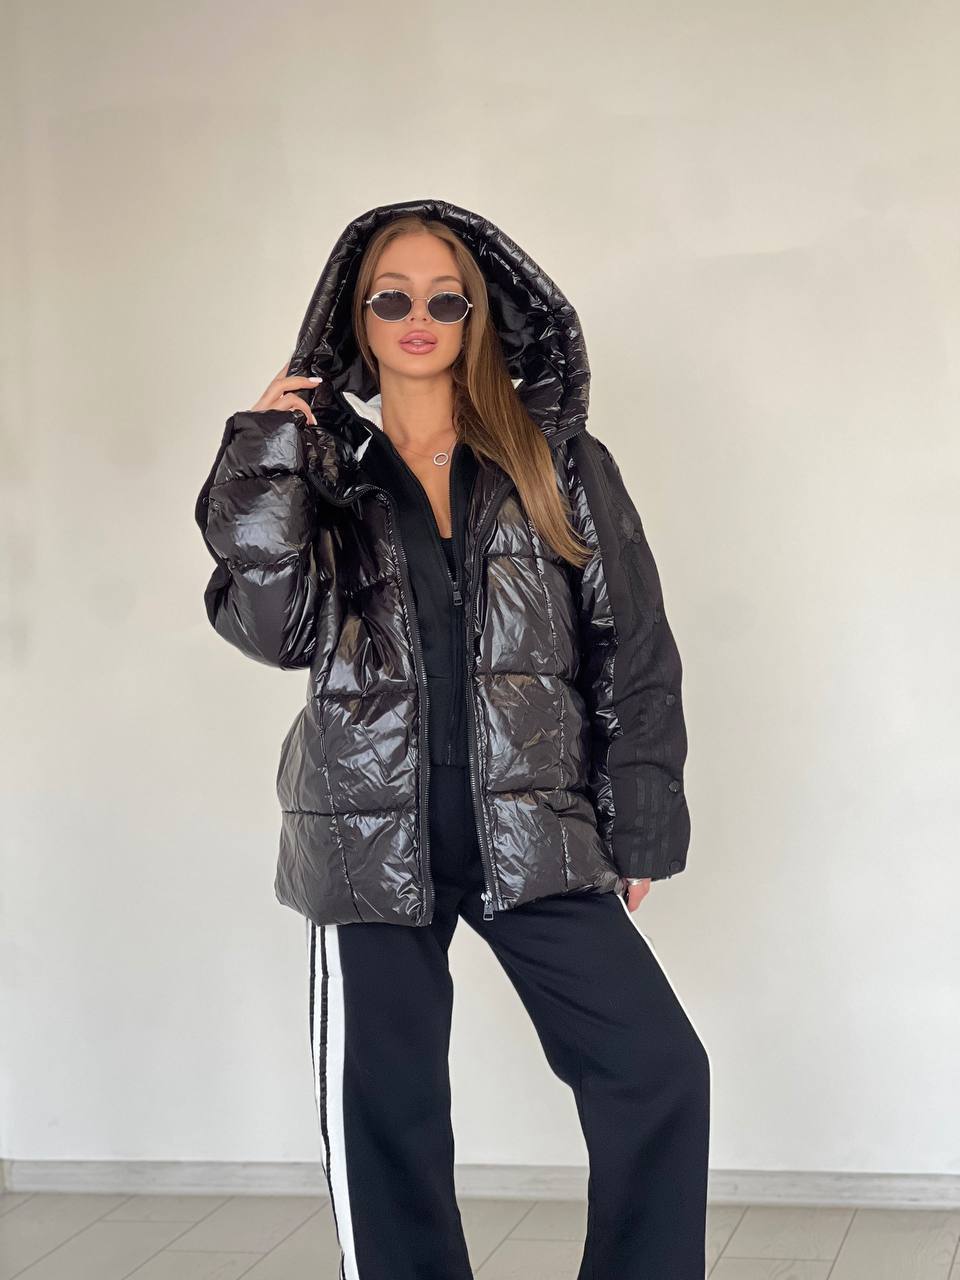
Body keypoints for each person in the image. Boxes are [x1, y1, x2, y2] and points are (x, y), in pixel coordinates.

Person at [195, 198, 709, 1279]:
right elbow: (274, 630)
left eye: (445, 298)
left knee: (657, 1067)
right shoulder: (320, 471)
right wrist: (266, 453)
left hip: (534, 823)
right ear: (358, 319)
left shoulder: (554, 459)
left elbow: (630, 640)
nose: (418, 317)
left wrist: (640, 814)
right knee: (388, 1115)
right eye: (392, 299)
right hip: (368, 836)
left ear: (478, 316)